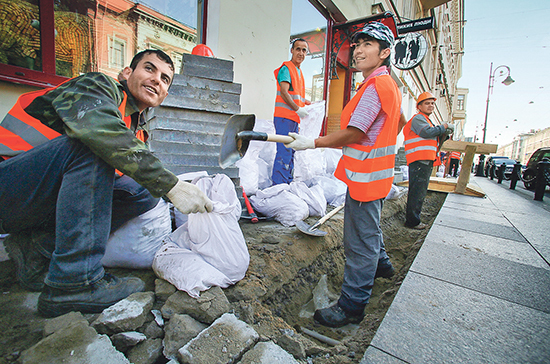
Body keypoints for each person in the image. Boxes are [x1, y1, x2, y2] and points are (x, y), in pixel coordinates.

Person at [0, 49, 213, 317]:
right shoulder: (97, 86)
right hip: (8, 186)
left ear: (165, 95)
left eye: (165, 79)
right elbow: (101, 135)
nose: (157, 80)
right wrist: (171, 185)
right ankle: (75, 281)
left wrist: (164, 193)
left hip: (32, 203)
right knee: (95, 146)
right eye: (149, 69)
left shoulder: (136, 128)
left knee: (144, 193)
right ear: (127, 73)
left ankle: (39, 249)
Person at [284, 22, 401, 328]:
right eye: (357, 45)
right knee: (370, 230)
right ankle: (382, 266)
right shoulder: (386, 84)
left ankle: (352, 305)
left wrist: (314, 142)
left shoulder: (375, 87)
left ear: (385, 52)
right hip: (376, 175)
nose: (359, 50)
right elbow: (396, 123)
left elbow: (355, 132)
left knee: (358, 242)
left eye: (368, 45)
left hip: (366, 178)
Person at [403, 92, 453, 229]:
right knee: (417, 191)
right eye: (427, 103)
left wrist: (443, 133)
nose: (431, 106)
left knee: (420, 190)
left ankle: (414, 218)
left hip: (424, 160)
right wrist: (444, 128)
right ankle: (412, 221)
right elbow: (426, 133)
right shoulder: (419, 118)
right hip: (419, 160)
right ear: (419, 106)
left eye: (432, 103)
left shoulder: (426, 120)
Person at [271, 38, 311, 185]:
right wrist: (297, 108)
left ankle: (286, 183)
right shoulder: (287, 68)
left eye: (304, 50)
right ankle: (279, 186)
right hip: (284, 118)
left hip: (293, 118)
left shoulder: (298, 71)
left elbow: (296, 96)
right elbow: (284, 92)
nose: (301, 53)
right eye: (298, 49)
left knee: (291, 150)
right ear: (292, 50)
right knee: (284, 151)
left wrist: (306, 104)